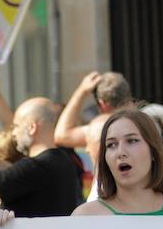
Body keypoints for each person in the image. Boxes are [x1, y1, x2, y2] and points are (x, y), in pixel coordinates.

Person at [0, 96, 80, 218]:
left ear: (31, 128)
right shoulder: (61, 160)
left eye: (17, 126)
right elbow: (13, 173)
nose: (13, 133)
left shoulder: (37, 166)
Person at [55, 71, 131, 201]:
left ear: (102, 103)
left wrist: (82, 91)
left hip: (107, 194)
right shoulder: (144, 123)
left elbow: (61, 135)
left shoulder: (101, 126)